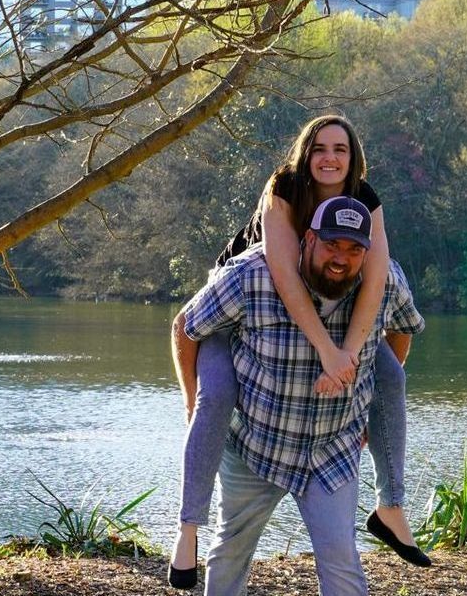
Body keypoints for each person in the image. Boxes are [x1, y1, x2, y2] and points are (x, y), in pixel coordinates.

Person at [168, 116, 428, 589]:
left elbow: (378, 281)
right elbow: (286, 279)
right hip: (239, 315)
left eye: (341, 150)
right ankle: (186, 531)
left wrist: (354, 377)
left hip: (328, 450)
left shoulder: (365, 202)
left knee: (389, 376)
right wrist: (329, 350)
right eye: (320, 148)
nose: (330, 158)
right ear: (306, 154)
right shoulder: (282, 193)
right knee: (216, 396)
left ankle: (391, 506)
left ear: (354, 160)